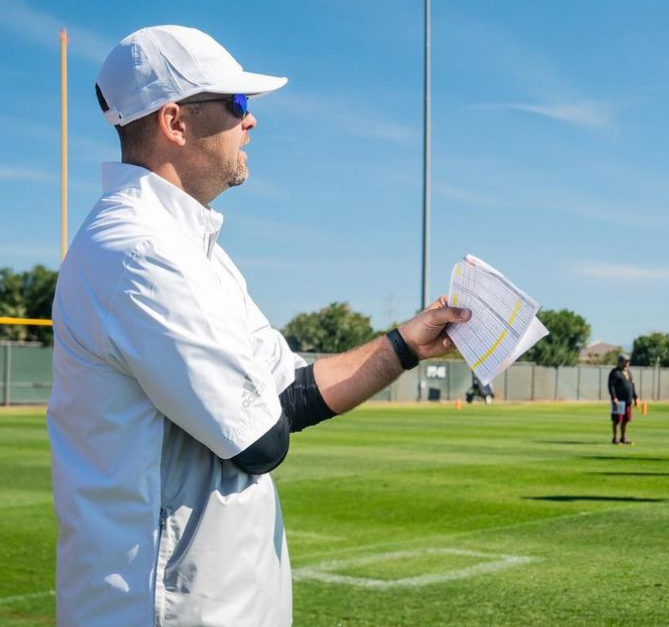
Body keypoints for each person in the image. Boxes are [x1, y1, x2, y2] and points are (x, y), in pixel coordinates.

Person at [46, 25, 472, 627]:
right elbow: (259, 439)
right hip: (164, 609)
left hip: (209, 603)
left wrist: (406, 344)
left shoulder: (191, 245)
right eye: (237, 104)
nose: (251, 122)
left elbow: (290, 391)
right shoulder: (139, 251)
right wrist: (271, 404)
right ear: (175, 122)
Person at [608, 353, 638, 445]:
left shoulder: (629, 372)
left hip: (628, 400)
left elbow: (632, 385)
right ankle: (615, 438)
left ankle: (623, 438)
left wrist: (635, 397)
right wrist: (614, 398)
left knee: (626, 420)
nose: (628, 363)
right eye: (626, 361)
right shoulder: (614, 372)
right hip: (619, 401)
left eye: (628, 361)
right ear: (620, 361)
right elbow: (611, 386)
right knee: (617, 420)